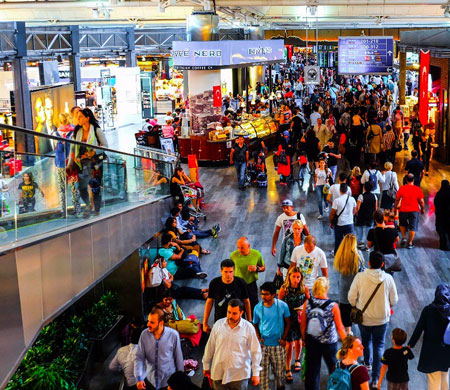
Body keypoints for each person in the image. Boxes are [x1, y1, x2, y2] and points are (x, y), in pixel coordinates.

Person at [348, 251, 399, 388]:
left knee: (365, 341)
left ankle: (367, 363)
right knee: (379, 346)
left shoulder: (360, 277)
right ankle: (376, 380)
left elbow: (351, 298)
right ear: (383, 264)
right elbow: (394, 300)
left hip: (364, 318)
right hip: (382, 319)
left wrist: (357, 303)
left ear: (369, 262)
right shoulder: (388, 278)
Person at [203, 299, 262, 390]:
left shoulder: (248, 328)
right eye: (229, 312)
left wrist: (256, 373)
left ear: (241, 313)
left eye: (234, 313)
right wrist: (206, 365)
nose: (230, 316)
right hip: (218, 373)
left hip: (239, 376)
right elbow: (210, 347)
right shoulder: (218, 325)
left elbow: (256, 351)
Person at [300, 277, 347, 390]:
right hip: (329, 343)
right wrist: (347, 345)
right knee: (334, 369)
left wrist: (304, 339)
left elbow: (302, 324)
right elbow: (340, 327)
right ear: (327, 288)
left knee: (312, 372)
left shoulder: (308, 303)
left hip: (312, 341)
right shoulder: (333, 306)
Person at [68, 108, 108, 218]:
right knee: (82, 187)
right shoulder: (77, 132)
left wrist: (94, 151)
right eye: (77, 116)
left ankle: (96, 210)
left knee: (94, 187)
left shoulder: (96, 130)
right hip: (82, 164)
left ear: (87, 118)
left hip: (95, 164)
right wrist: (70, 164)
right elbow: (72, 149)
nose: (78, 119)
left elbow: (105, 146)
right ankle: (89, 205)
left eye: (80, 117)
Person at [408, 283, 450, 390]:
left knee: (433, 379)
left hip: (431, 352)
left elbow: (419, 329)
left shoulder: (428, 310)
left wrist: (410, 345)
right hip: (447, 352)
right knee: (444, 376)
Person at [253, 282, 291, 390]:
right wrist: (259, 338)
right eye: (262, 294)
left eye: (266, 294)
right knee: (262, 375)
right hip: (263, 346)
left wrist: (284, 338)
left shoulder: (283, 306)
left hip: (278, 345)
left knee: (279, 375)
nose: (263, 297)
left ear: (273, 294)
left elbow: (288, 322)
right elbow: (255, 324)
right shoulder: (258, 308)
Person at [134, 307, 184, 390]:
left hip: (168, 384)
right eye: (148, 321)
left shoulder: (173, 335)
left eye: (152, 322)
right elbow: (139, 357)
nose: (148, 324)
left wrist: (179, 382)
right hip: (149, 382)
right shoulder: (144, 335)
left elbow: (179, 359)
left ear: (161, 323)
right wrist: (139, 378)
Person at [278, 267, 310, 382]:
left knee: (299, 341)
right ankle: (287, 368)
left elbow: (308, 299)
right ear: (289, 277)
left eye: (298, 277)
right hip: (288, 320)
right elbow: (279, 304)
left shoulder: (303, 288)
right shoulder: (284, 289)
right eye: (293, 277)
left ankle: (297, 359)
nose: (296, 279)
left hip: (300, 319)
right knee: (289, 344)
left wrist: (303, 307)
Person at [203, 259, 251, 333]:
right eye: (225, 272)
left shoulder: (241, 283)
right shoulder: (214, 283)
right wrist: (205, 323)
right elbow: (209, 302)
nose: (228, 274)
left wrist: (249, 321)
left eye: (230, 272)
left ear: (234, 271)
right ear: (221, 271)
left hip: (238, 320)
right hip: (220, 320)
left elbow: (246, 302)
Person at [334, 234, 365, 334]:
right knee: (353, 306)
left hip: (343, 285)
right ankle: (352, 325)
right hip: (355, 285)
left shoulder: (340, 254)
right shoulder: (358, 255)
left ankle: (346, 330)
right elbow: (362, 269)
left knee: (344, 307)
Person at [230, 237, 265, 309]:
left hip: (251, 284)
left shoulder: (256, 254)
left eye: (242, 248)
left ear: (248, 246)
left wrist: (257, 268)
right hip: (238, 284)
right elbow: (231, 269)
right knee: (239, 305)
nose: (240, 250)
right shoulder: (233, 255)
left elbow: (263, 267)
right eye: (238, 248)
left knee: (253, 304)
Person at [394, 173, 425, 249]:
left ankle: (404, 237)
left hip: (403, 209)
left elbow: (397, 199)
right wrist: (422, 209)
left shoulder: (402, 188)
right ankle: (410, 243)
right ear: (413, 180)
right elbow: (421, 201)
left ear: (406, 180)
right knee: (412, 227)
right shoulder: (417, 189)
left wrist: (395, 207)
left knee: (402, 224)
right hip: (414, 210)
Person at [330, 183, 357, 253]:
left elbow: (332, 213)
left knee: (338, 241)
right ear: (347, 190)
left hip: (340, 224)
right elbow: (355, 210)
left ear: (340, 190)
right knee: (350, 241)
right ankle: (349, 254)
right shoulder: (352, 199)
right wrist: (351, 216)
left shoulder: (337, 200)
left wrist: (331, 222)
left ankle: (337, 255)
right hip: (350, 223)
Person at [355, 182, 377, 250]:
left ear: (364, 188)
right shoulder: (374, 196)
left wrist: (356, 213)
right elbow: (376, 207)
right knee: (369, 229)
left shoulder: (361, 196)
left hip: (362, 215)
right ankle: (368, 245)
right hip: (370, 215)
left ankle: (361, 242)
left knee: (359, 227)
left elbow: (358, 207)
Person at [434, 180, 450, 250]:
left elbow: (436, 203)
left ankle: (443, 246)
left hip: (441, 216)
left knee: (442, 231)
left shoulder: (439, 194)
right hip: (449, 216)